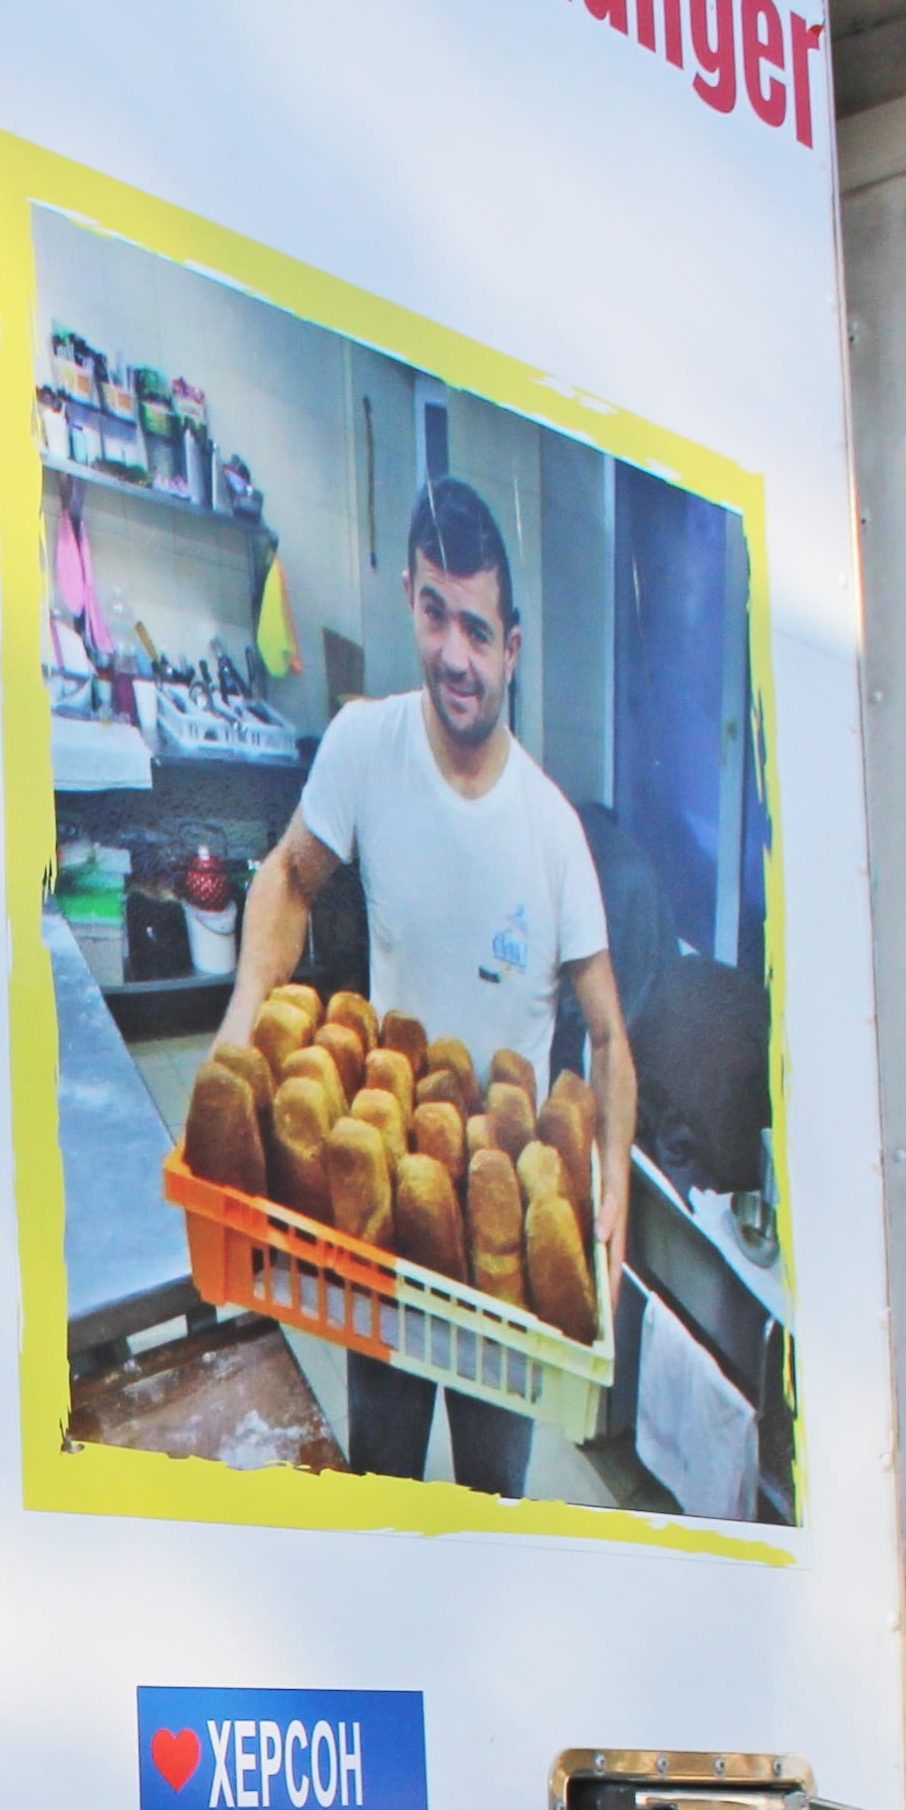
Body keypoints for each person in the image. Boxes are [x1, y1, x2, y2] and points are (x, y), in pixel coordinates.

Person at [214, 478, 638, 1497]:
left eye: (479, 630)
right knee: (385, 1474)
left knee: (492, 1489)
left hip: (501, 1224)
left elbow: (608, 1037)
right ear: (410, 596)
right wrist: (237, 1031)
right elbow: (287, 875)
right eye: (436, 614)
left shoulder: (550, 832)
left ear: (513, 649)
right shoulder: (365, 745)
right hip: (385, 1203)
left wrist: (613, 1181)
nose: (454, 653)